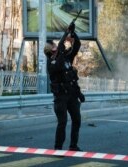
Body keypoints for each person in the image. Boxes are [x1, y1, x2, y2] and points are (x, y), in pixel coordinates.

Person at [44, 22, 85, 151]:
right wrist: (61, 48)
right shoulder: (51, 62)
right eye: (54, 46)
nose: (57, 46)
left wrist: (72, 33)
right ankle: (58, 147)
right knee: (62, 123)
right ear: (50, 51)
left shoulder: (66, 57)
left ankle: (73, 145)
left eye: (57, 45)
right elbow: (59, 65)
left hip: (72, 94)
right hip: (61, 97)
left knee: (77, 120)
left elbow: (76, 46)